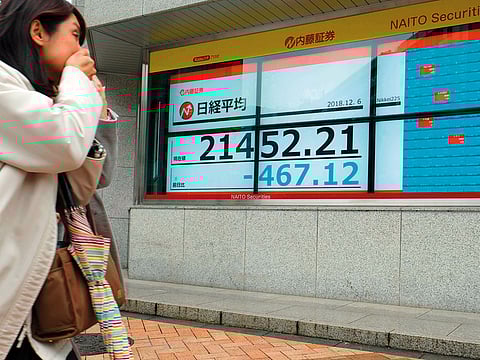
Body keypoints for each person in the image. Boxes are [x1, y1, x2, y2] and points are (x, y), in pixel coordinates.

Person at [0, 0, 110, 358]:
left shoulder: (37, 97)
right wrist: (77, 81)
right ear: (37, 32)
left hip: (33, 305)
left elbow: (80, 188)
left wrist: (95, 107)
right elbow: (63, 143)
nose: (83, 52)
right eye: (76, 37)